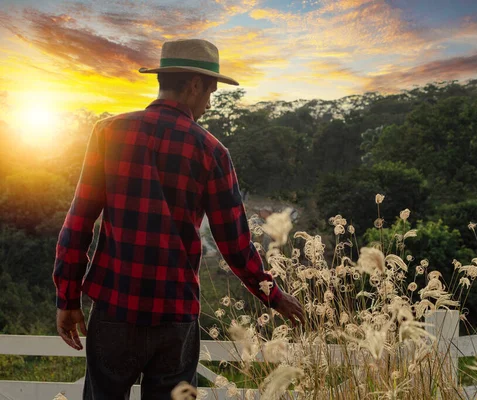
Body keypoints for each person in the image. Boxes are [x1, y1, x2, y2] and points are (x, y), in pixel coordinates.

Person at [53, 38, 305, 400]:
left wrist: (68, 297)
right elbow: (235, 244)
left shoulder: (109, 133)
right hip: (175, 316)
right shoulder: (212, 152)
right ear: (194, 85)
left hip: (113, 309)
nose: (208, 103)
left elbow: (78, 223)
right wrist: (274, 296)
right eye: (210, 92)